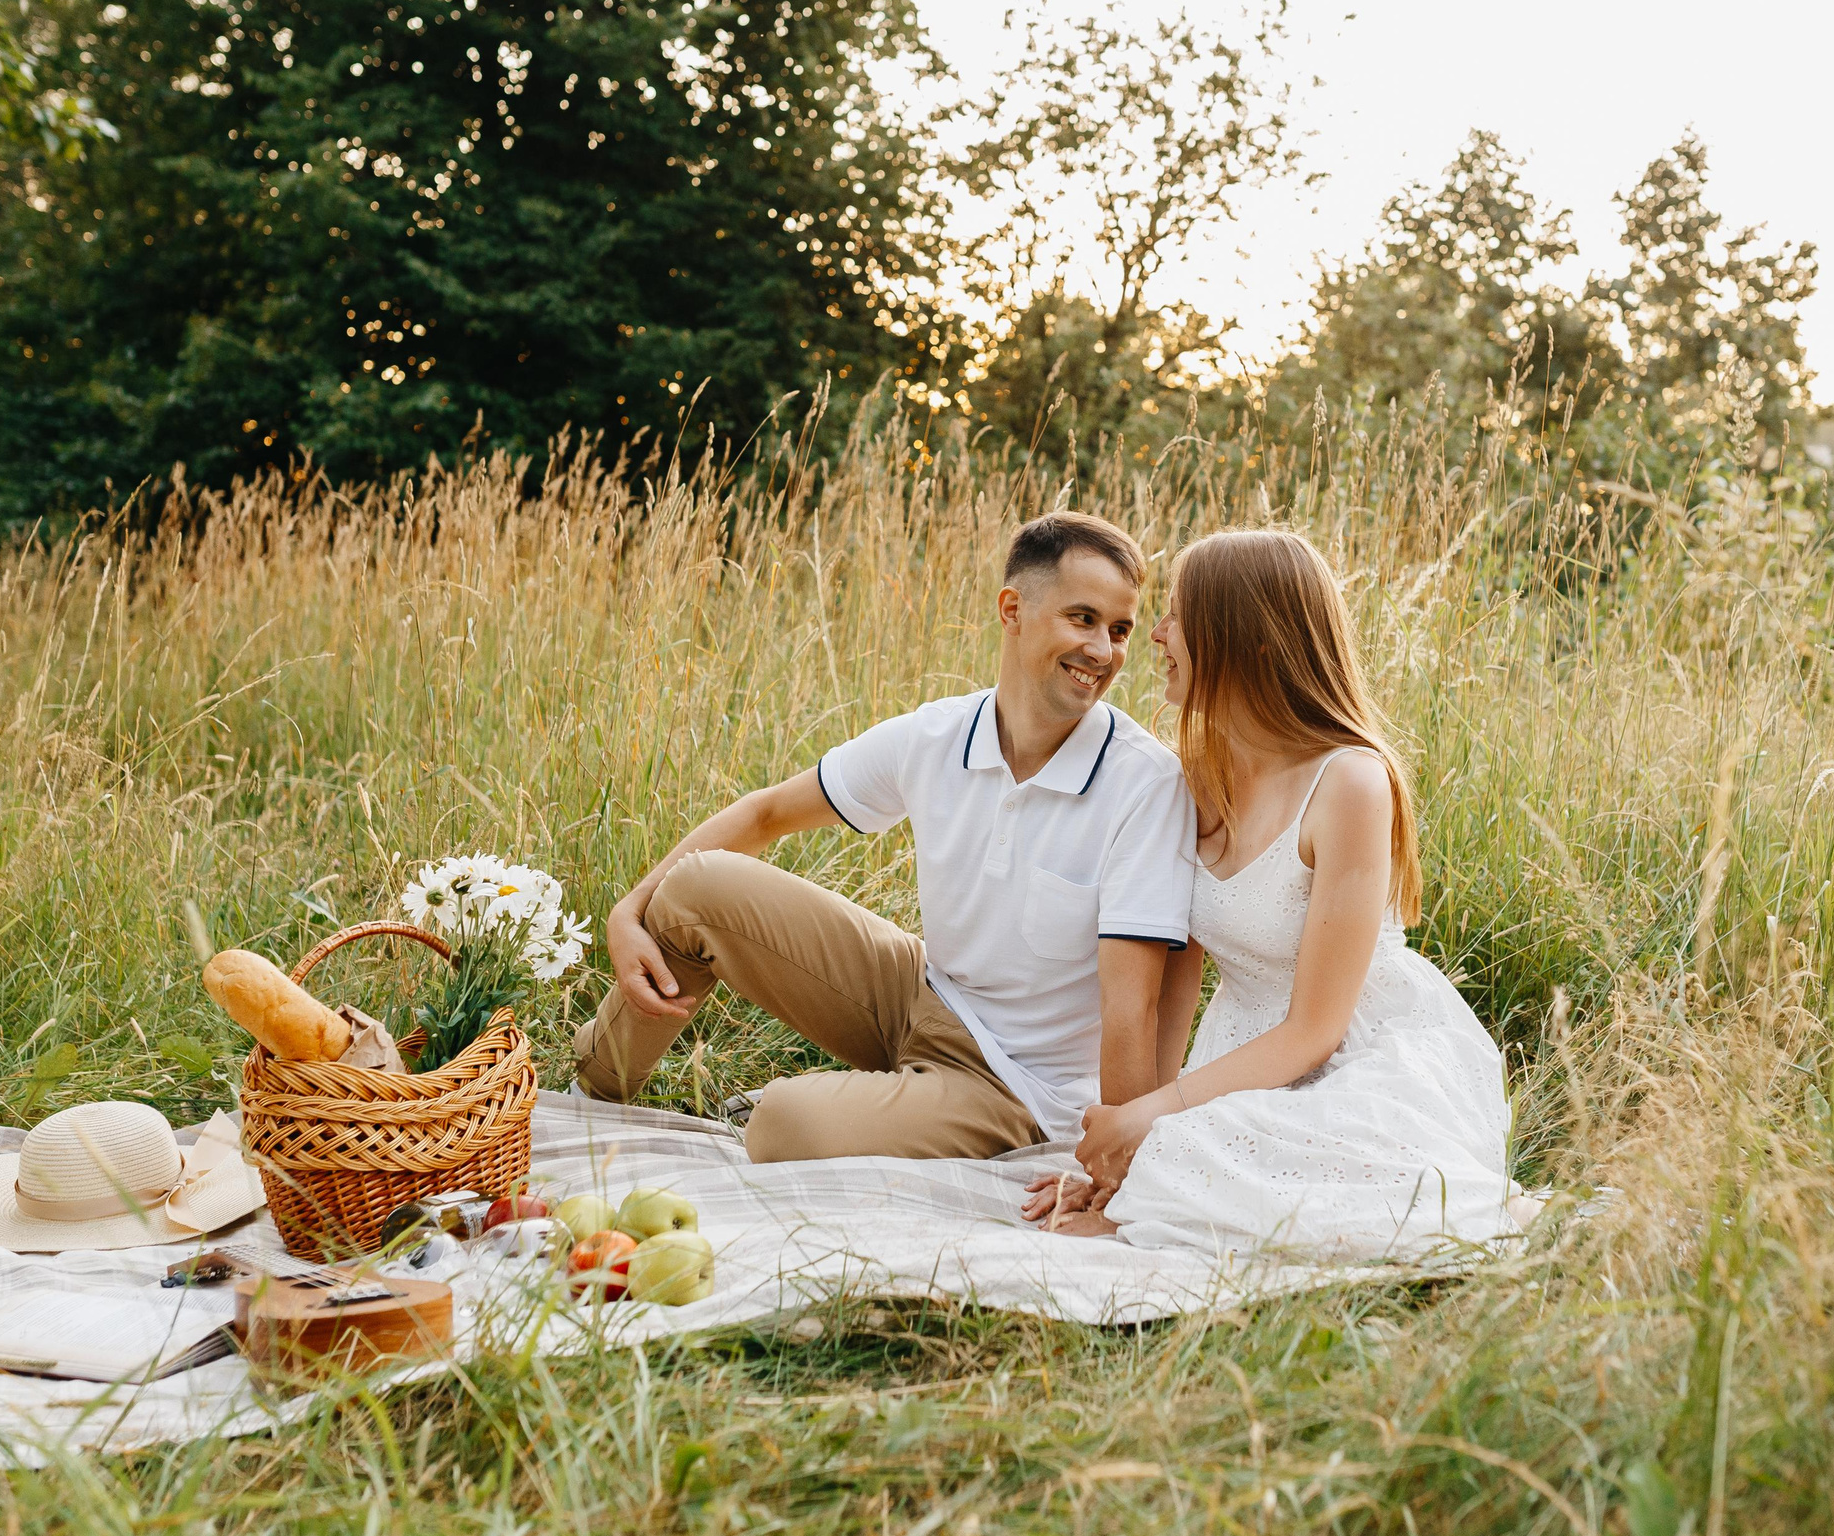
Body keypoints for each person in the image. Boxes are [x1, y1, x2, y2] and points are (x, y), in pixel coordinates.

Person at [576, 511, 1197, 1163]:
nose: (1104, 651)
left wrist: (1116, 1167)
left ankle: (865, 1106)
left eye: (1121, 629)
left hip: (1016, 1087)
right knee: (696, 883)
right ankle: (595, 1089)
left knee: (784, 1122)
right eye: (1083, 618)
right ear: (1012, 609)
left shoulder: (1144, 784)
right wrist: (630, 909)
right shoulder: (938, 735)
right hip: (920, 992)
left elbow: (1136, 1008)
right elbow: (764, 814)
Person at [1021, 528, 1525, 1256]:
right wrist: (1126, 1150)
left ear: (1245, 638)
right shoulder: (1196, 778)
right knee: (1174, 1163)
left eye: (1177, 617)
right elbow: (1176, 986)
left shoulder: (1350, 782)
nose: (1156, 635)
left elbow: (1317, 1028)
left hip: (1362, 1053)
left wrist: (1155, 1122)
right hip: (1239, 1054)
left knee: (1217, 1167)